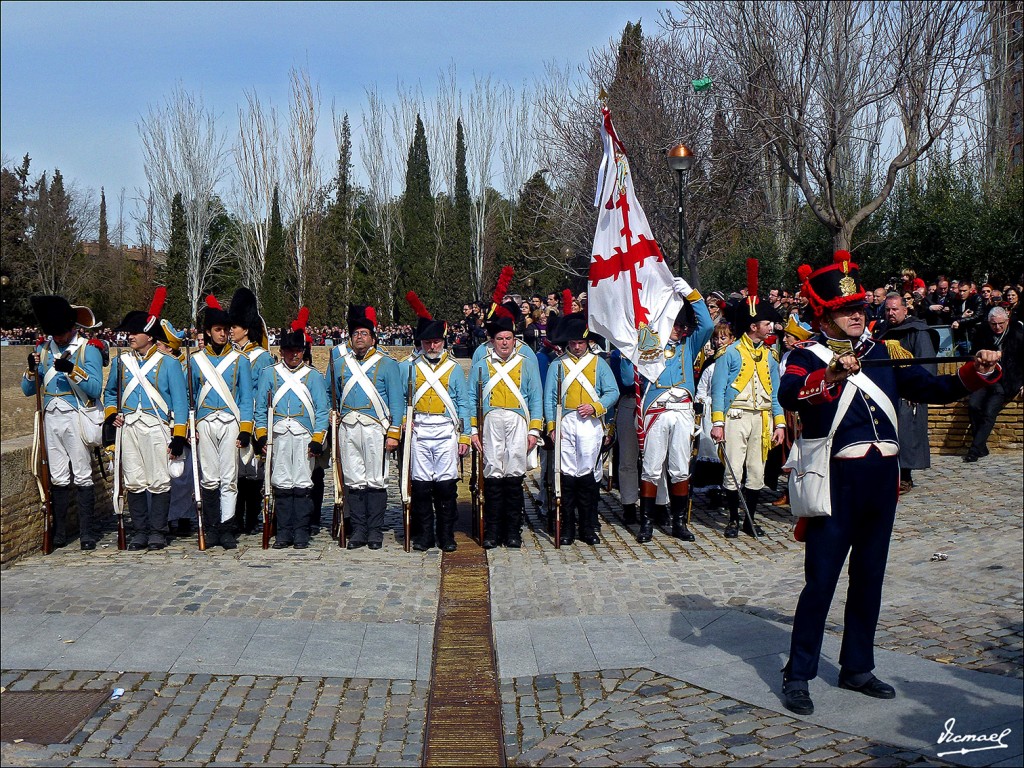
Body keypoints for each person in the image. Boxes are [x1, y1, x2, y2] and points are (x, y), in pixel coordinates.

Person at [778, 250, 1002, 716]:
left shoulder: (881, 352)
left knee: (870, 578)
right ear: (825, 313)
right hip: (837, 479)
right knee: (820, 582)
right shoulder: (804, 356)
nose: (858, 314)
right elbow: (792, 394)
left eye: (860, 307)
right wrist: (833, 375)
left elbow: (934, 390)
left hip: (882, 479)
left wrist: (976, 369)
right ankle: (798, 674)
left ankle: (857, 666)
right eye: (846, 309)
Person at [621, 276, 713, 543]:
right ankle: (647, 523)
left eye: (682, 325)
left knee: (679, 468)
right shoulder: (649, 346)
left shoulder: (688, 345)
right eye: (674, 324)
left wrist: (693, 296)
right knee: (650, 468)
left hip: (682, 409)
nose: (679, 330)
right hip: (656, 410)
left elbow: (706, 324)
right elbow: (628, 378)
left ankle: (679, 523)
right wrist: (630, 351)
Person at [102, 288, 189, 551]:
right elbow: (110, 394)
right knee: (135, 481)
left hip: (156, 427)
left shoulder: (169, 363)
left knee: (159, 481)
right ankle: (139, 531)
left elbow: (180, 403)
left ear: (148, 336)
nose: (129, 337)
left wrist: (178, 436)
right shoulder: (122, 363)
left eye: (134, 333)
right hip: (129, 428)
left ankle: (157, 532)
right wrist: (111, 414)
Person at [22, 296, 106, 550]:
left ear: (72, 328)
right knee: (57, 477)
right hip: (51, 416)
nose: (58, 338)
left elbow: (94, 389)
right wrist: (29, 370)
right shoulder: (43, 349)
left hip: (75, 415)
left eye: (61, 333)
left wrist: (72, 370)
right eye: (54, 334)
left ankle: (87, 532)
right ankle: (59, 532)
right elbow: (27, 390)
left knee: (82, 474)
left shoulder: (87, 349)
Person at [710, 274, 787, 539]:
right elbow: (717, 390)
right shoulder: (729, 353)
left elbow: (775, 393)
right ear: (754, 326)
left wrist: (779, 423)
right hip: (735, 417)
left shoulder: (769, 355)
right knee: (734, 469)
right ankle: (732, 519)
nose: (770, 328)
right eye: (767, 323)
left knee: (756, 471)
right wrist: (718, 423)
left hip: (761, 418)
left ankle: (749, 520)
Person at [469, 299, 543, 549]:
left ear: (514, 340)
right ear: (492, 341)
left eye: (508, 338)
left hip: (517, 421)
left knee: (514, 474)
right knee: (493, 474)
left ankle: (513, 530)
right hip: (490, 421)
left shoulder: (526, 364)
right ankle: (493, 529)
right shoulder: (481, 366)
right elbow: (471, 399)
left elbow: (536, 397)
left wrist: (534, 429)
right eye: (499, 338)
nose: (504, 343)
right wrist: (472, 430)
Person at [329, 304, 404, 550]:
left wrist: (393, 433)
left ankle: (375, 531)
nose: (359, 337)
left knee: (376, 480)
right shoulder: (340, 364)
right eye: (355, 334)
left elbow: (396, 402)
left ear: (373, 338)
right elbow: (336, 395)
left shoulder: (387, 364)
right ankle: (359, 530)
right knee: (354, 480)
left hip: (375, 429)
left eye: (364, 333)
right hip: (349, 428)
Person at [399, 292, 470, 552]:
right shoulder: (408, 367)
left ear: (443, 342)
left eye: (436, 341)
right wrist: (404, 422)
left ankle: (446, 535)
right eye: (427, 342)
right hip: (419, 430)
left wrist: (464, 436)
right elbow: (399, 401)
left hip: (445, 429)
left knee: (446, 486)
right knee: (420, 487)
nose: (432, 346)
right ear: (421, 343)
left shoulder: (453, 369)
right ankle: (425, 535)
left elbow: (464, 404)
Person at [254, 308, 329, 549]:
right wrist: (262, 436)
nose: (293, 355)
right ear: (281, 352)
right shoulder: (270, 374)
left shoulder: (313, 377)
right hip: (278, 437)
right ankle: (284, 532)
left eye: (297, 351)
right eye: (289, 351)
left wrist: (318, 439)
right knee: (282, 484)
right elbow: (259, 410)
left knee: (303, 483)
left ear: (303, 352)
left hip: (304, 437)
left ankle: (301, 532)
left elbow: (322, 411)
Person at [543, 311, 618, 546]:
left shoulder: (598, 364)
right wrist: (552, 426)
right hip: (566, 422)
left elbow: (612, 393)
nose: (577, 347)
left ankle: (587, 526)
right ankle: (567, 527)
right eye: (574, 343)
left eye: (581, 343)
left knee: (587, 477)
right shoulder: (557, 365)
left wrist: (596, 407)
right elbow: (549, 398)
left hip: (591, 424)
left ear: (588, 342)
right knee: (566, 476)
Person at [187, 295, 254, 549]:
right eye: (218, 330)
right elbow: (188, 395)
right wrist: (188, 428)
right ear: (208, 331)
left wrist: (246, 428)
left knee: (229, 478)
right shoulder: (195, 361)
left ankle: (227, 527)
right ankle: (212, 526)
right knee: (209, 478)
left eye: (226, 330)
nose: (224, 334)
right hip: (204, 422)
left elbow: (246, 398)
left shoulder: (240, 361)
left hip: (230, 422)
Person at [877, 292, 939, 492]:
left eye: (895, 309)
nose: (891, 313)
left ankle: (905, 476)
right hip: (887, 390)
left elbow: (926, 363)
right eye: (887, 309)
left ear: (905, 309)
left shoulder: (918, 331)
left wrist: (919, 390)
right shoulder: (883, 330)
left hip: (909, 393)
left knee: (906, 434)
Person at [964, 306, 1022, 462]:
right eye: (993, 324)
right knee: (973, 406)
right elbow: (973, 354)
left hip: (1005, 381)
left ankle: (974, 450)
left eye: (1000, 324)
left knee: (989, 413)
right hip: (984, 378)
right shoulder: (982, 332)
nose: (997, 327)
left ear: (1007, 320)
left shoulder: (1017, 333)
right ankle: (981, 447)